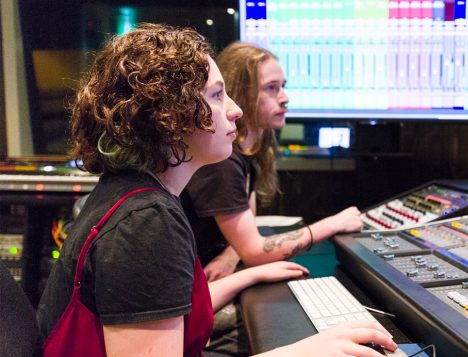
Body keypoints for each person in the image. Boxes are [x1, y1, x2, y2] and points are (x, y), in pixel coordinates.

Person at [36, 24, 395, 357]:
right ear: (170, 114)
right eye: (218, 95)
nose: (236, 110)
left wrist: (249, 274)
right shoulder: (144, 223)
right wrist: (306, 350)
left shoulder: (137, 196)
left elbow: (170, 311)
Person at [181, 41, 362, 281]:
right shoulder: (222, 162)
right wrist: (334, 224)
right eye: (271, 88)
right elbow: (255, 252)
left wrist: (231, 254)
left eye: (282, 87)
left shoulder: (245, 152)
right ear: (241, 95)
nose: (285, 98)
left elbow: (248, 223)